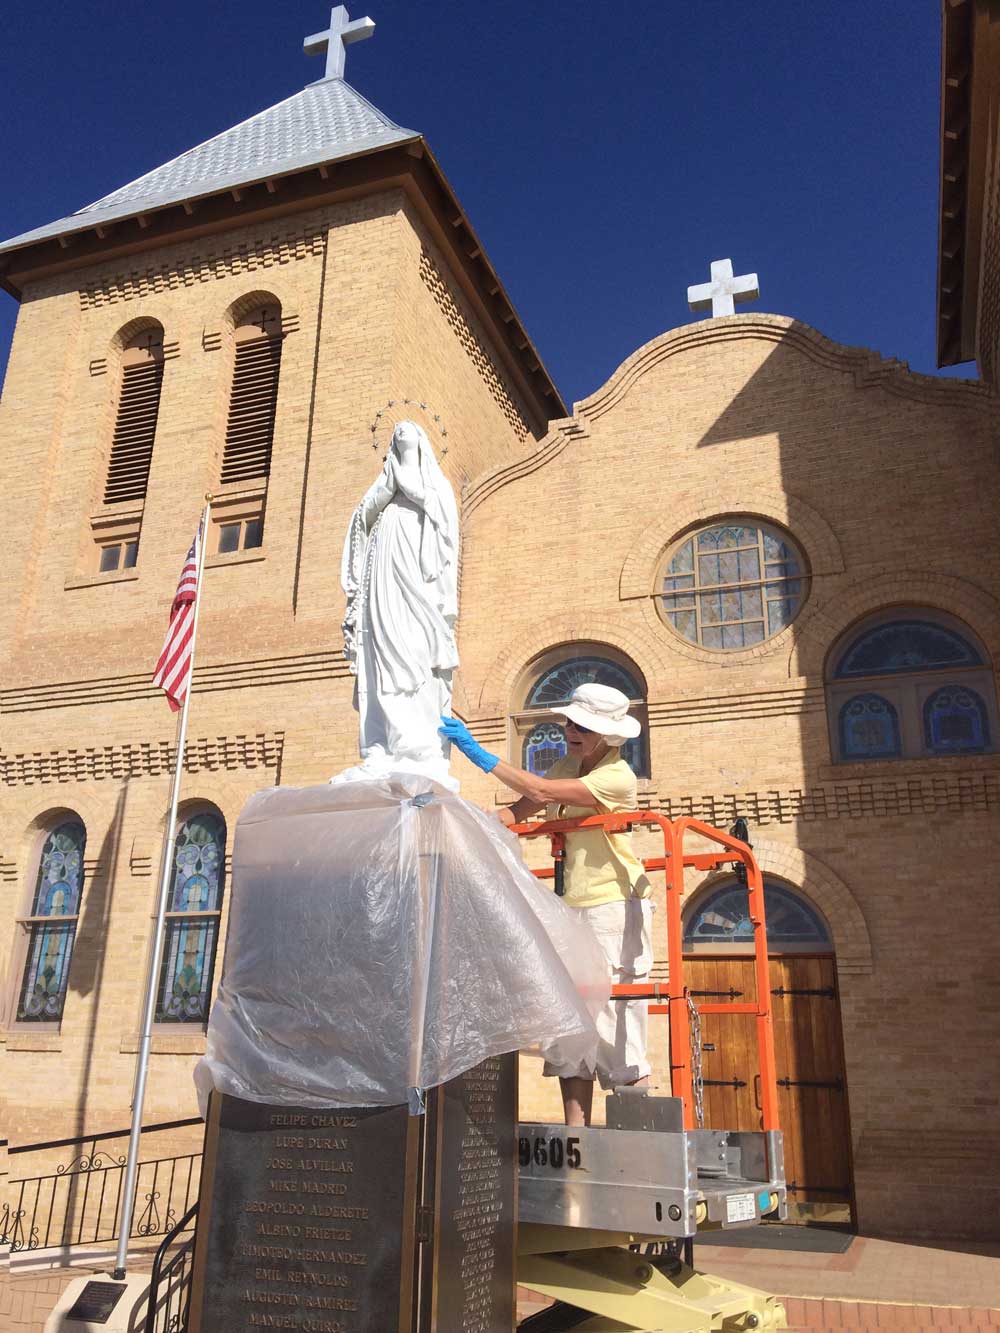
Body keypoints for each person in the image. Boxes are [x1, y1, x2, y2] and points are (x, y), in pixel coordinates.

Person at [440, 682, 654, 1126]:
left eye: (582, 726)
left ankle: (637, 1134)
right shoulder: (565, 765)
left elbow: (538, 792)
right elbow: (517, 813)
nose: (571, 730)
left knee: (615, 1013)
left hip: (613, 901)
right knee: (568, 1014)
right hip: (571, 904)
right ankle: (576, 1138)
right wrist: (456, 821)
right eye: (569, 723)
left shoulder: (616, 777)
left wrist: (476, 753)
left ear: (608, 735)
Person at [340, 421, 459, 786]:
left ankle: (415, 746)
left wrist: (411, 488)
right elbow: (361, 519)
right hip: (381, 580)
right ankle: (380, 746)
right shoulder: (385, 482)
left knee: (412, 651)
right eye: (397, 437)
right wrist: (389, 488)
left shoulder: (436, 485)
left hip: (416, 580)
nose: (402, 435)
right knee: (377, 654)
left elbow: (443, 525)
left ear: (422, 446)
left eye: (410, 435)